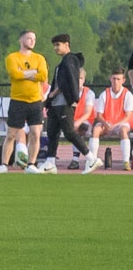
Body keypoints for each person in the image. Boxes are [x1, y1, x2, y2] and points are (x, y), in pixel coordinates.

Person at [39, 34, 100, 174]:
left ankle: (91, 158)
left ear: (67, 45)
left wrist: (64, 95)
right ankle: (50, 162)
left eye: (58, 45)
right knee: (52, 133)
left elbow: (70, 80)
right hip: (55, 104)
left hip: (64, 103)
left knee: (69, 132)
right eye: (54, 45)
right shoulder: (63, 62)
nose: (55, 48)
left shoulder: (70, 60)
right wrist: (50, 99)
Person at [0, 30, 47, 174]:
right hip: (18, 100)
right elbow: (14, 74)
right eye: (29, 38)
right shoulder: (12, 57)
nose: (32, 41)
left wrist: (24, 73)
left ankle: (31, 164)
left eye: (34, 39)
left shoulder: (39, 58)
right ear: (21, 40)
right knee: (11, 134)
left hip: (35, 101)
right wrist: (33, 73)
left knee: (35, 134)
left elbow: (43, 75)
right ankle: (4, 165)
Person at [89, 66, 132, 170]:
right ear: (110, 79)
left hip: (120, 124)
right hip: (106, 123)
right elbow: (99, 115)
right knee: (96, 129)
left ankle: (126, 161)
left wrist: (114, 125)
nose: (116, 82)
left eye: (118, 79)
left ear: (123, 80)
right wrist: (105, 124)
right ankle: (92, 160)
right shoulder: (105, 94)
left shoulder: (128, 95)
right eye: (114, 79)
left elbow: (127, 116)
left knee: (123, 130)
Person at [68, 68, 96, 169]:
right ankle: (49, 158)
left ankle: (76, 159)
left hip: (86, 121)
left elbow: (88, 113)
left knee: (79, 128)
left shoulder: (89, 93)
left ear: (84, 80)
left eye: (80, 78)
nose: (78, 81)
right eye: (76, 78)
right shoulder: (69, 92)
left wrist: (77, 122)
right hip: (73, 121)